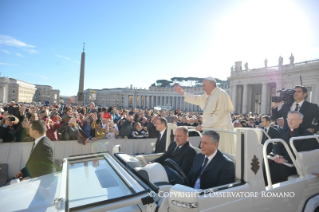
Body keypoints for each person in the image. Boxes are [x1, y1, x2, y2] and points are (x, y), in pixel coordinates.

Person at [174, 77, 235, 154]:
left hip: (221, 131)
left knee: (221, 154)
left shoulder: (221, 94)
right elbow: (196, 99)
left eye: (204, 86)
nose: (203, 88)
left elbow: (218, 116)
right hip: (211, 130)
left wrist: (203, 126)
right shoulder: (207, 95)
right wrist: (182, 92)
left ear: (211, 84)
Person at [269, 111, 319, 184]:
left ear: (300, 121)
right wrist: (277, 155)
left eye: (293, 120)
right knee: (266, 162)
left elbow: (301, 152)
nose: (290, 121)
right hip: (281, 158)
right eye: (289, 119)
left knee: (279, 168)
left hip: (295, 163)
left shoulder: (307, 135)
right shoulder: (283, 131)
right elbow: (278, 145)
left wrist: (285, 159)